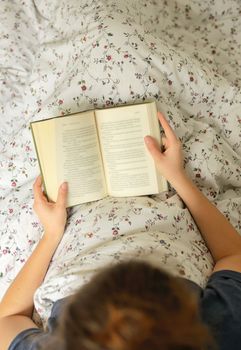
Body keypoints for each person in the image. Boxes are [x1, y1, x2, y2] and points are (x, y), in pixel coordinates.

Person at [0, 112, 241, 350]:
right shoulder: (222, 334)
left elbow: (6, 320)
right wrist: (179, 178)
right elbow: (234, 255)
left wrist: (50, 235)